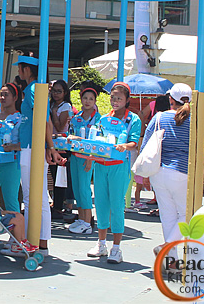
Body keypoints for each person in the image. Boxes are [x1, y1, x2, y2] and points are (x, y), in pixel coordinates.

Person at [141, 83, 204, 257]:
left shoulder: (159, 117)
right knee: (188, 215)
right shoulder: (194, 121)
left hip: (158, 172)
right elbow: (203, 152)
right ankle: (167, 247)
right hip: (182, 173)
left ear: (170, 99)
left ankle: (171, 259)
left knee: (168, 216)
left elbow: (145, 147)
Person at [87, 82, 141, 264]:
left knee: (116, 205)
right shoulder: (105, 118)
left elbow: (135, 142)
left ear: (127, 100)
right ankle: (101, 243)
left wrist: (124, 146)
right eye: (112, 97)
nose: (115, 101)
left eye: (119, 98)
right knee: (101, 203)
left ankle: (116, 248)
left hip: (119, 165)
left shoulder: (133, 119)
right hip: (101, 165)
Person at [16, 54, 64, 258]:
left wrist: (49, 147)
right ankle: (38, 244)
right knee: (37, 196)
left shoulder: (34, 89)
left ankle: (36, 244)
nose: (18, 71)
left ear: (27, 70)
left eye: (20, 68)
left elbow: (44, 120)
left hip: (32, 148)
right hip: (32, 147)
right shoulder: (35, 89)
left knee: (34, 197)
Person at [66, 82, 102, 235]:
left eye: (91, 99)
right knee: (76, 188)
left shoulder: (98, 119)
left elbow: (98, 141)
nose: (87, 101)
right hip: (74, 155)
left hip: (87, 158)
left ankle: (87, 222)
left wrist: (90, 158)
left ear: (95, 101)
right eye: (85, 98)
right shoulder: (76, 118)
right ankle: (81, 219)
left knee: (84, 188)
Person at [0, 82, 23, 215]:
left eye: (6, 95)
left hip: (11, 164)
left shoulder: (20, 119)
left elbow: (25, 143)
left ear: (15, 98)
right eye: (1, 95)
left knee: (10, 199)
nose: (2, 98)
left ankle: (15, 233)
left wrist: (12, 147)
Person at [134, 93, 170, 210]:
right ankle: (159, 203)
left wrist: (142, 127)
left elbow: (142, 114)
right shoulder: (172, 117)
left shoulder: (154, 110)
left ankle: (156, 198)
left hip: (152, 144)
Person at [0, 180, 37, 255]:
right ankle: (18, 243)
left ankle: (23, 239)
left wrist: (8, 212)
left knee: (19, 215)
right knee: (16, 221)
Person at [49, 79, 74, 220]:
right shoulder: (52, 104)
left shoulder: (65, 106)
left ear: (65, 93)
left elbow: (59, 126)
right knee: (53, 175)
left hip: (61, 145)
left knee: (60, 175)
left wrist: (53, 113)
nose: (56, 94)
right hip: (51, 143)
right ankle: (56, 203)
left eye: (59, 91)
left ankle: (59, 205)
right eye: (54, 91)